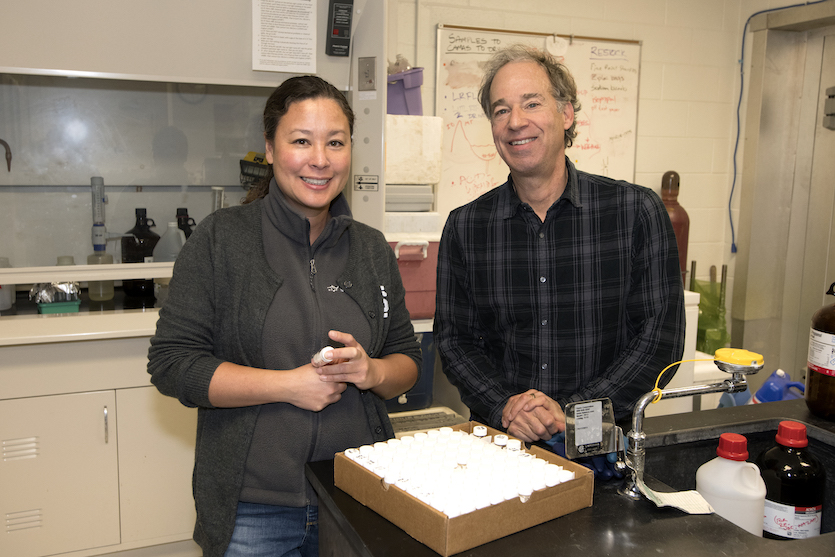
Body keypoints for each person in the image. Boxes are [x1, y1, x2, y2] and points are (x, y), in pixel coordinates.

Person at [147, 75, 421, 557]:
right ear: (270, 149)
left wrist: (371, 370)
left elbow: (407, 362)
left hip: (356, 492)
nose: (320, 159)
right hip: (255, 507)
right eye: (301, 141)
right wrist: (288, 385)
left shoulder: (372, 248)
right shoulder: (220, 241)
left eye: (335, 142)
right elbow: (172, 365)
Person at [434, 45, 685, 447]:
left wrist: (573, 411)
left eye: (531, 103)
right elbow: (454, 342)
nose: (516, 122)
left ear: (566, 113)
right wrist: (505, 406)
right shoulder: (466, 226)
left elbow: (661, 340)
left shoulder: (635, 212)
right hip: (500, 446)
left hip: (601, 448)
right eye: (501, 110)